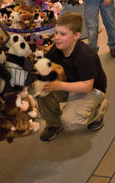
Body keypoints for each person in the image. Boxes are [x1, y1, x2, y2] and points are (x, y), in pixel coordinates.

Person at [35, 12, 109, 142]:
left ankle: (98, 110)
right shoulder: (56, 50)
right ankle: (54, 124)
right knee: (41, 90)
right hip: (70, 84)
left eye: (63, 34)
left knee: (70, 121)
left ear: (76, 36)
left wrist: (59, 85)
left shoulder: (85, 55)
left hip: (93, 90)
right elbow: (47, 67)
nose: (57, 37)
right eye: (56, 33)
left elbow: (87, 86)